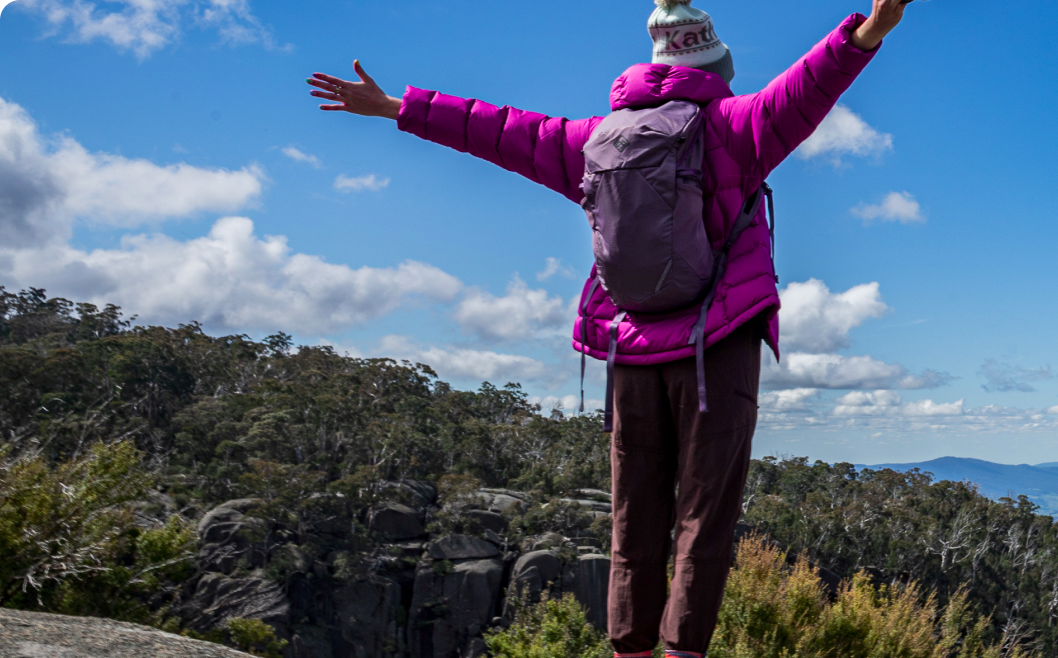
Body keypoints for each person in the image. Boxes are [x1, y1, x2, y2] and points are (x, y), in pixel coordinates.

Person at [306, 1, 912, 655]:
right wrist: (868, 29)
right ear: (713, 63)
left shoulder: (592, 141)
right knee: (701, 518)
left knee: (634, 516)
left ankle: (630, 651)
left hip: (630, 345)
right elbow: (809, 85)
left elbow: (500, 129)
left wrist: (399, 106)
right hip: (718, 344)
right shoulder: (733, 128)